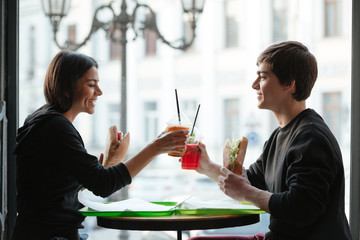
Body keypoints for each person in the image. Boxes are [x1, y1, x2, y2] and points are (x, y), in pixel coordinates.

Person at [12, 50, 189, 240]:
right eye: (91, 84)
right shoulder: (56, 127)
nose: (99, 92)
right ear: (66, 87)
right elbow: (103, 185)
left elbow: (61, 187)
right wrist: (155, 148)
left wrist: (107, 164)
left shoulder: (44, 120)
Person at [191, 41, 352, 240]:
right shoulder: (279, 136)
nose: (254, 85)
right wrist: (206, 166)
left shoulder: (311, 138)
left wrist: (246, 193)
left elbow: (301, 208)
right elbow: (248, 182)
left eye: (263, 77)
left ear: (289, 84)